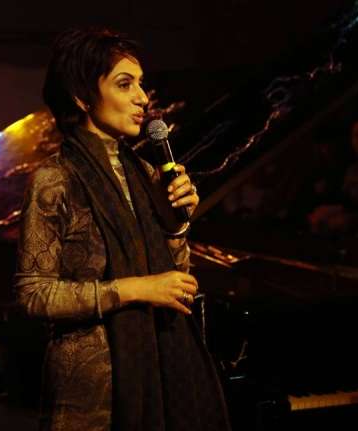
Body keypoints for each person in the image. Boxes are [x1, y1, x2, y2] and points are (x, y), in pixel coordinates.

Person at [14, 28, 230, 431]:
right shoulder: (55, 180)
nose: (143, 98)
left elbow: (178, 283)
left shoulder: (147, 172)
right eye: (125, 84)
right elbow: (33, 294)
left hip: (162, 364)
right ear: (82, 96)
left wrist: (176, 225)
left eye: (141, 85)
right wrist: (135, 289)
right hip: (94, 388)